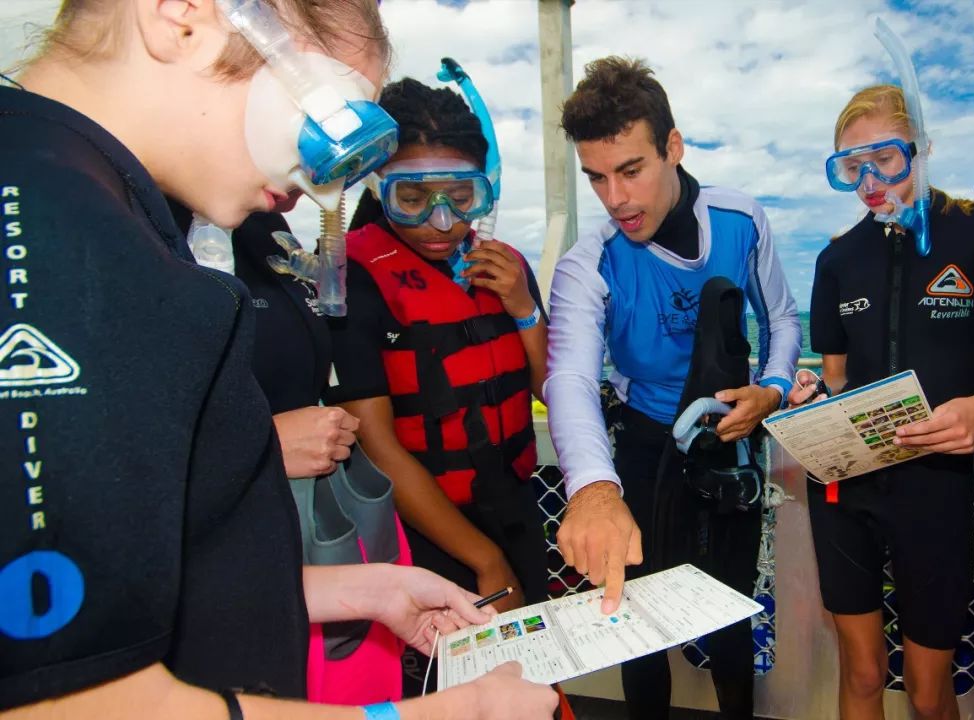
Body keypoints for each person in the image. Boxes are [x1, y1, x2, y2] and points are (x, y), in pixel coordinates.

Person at [0, 1, 558, 718]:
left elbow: (149, 590)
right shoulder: (52, 232)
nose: (326, 178)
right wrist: (447, 713)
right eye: (330, 118)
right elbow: (69, 700)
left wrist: (364, 589)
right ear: (185, 18)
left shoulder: (94, 205)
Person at [545, 56, 801, 719]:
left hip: (733, 436)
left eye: (631, 169)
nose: (616, 198)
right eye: (597, 178)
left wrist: (771, 390)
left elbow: (781, 317)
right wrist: (595, 490)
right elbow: (570, 377)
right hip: (646, 446)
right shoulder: (589, 264)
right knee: (639, 621)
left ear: (673, 147)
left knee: (732, 610)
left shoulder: (740, 219)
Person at [789, 84, 974, 720]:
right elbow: (835, 381)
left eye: (884, 159)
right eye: (850, 166)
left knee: (929, 689)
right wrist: (811, 398)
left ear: (920, 149)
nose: (868, 180)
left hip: (936, 487)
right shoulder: (837, 258)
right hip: (847, 489)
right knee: (863, 673)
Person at [326, 77, 552, 694]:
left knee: (532, 682)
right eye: (413, 199)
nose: (441, 221)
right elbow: (377, 447)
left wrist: (524, 307)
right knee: (450, 695)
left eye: (460, 196)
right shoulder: (351, 279)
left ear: (486, 190)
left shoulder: (504, 266)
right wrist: (484, 559)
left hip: (514, 510)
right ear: (379, 188)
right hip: (422, 533)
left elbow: (548, 387)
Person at [169, 205, 412, 707]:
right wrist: (263, 445)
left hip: (293, 544)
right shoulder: (124, 230)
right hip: (209, 572)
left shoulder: (259, 226)